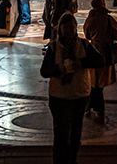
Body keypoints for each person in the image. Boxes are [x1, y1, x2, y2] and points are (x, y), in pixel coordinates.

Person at [42, 13, 101, 164]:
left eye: (71, 27)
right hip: (59, 96)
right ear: (60, 29)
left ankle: (72, 159)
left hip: (79, 94)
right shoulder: (54, 48)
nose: (69, 31)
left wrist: (81, 63)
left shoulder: (84, 45)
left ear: (75, 28)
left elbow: (100, 59)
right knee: (61, 134)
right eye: (65, 27)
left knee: (75, 132)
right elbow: (44, 71)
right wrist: (59, 69)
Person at [82, 0, 117, 121]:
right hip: (105, 52)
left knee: (93, 80)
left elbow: (87, 34)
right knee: (100, 83)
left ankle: (90, 106)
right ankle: (98, 106)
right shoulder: (109, 19)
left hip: (93, 50)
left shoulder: (90, 19)